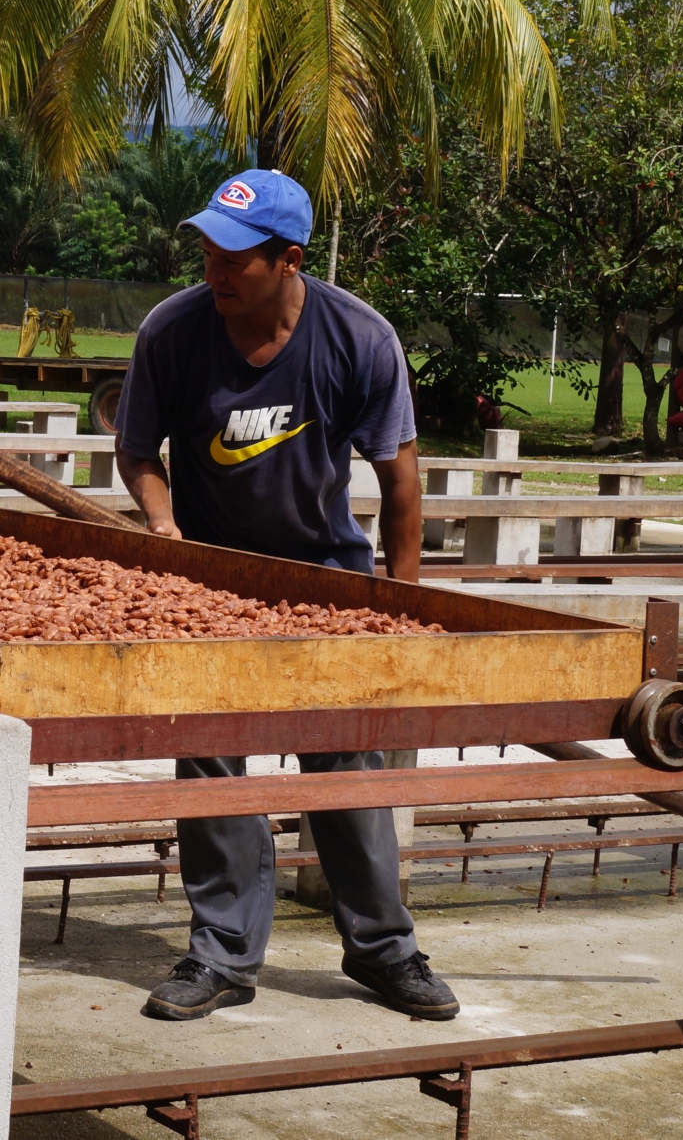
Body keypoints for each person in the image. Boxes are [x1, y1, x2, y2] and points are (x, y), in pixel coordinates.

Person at [114, 168, 459, 1023]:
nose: (213, 270)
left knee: (344, 763)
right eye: (206, 250)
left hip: (325, 582)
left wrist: (399, 605)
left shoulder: (358, 337)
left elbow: (400, 477)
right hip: (211, 583)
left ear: (287, 260)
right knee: (211, 762)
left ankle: (383, 949)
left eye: (233, 258)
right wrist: (163, 531)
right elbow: (137, 451)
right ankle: (220, 954)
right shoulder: (172, 330)